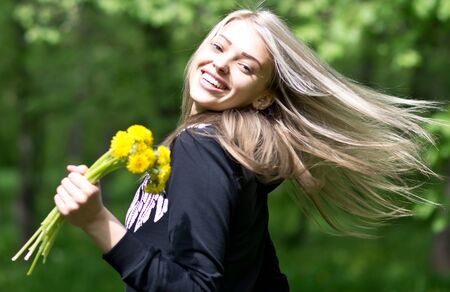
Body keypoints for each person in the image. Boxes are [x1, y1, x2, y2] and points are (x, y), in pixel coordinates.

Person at [53, 8, 437, 292]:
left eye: (246, 67)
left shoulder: (204, 146)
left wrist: (96, 222)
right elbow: (262, 279)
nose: (220, 64)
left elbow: (198, 288)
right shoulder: (232, 155)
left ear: (263, 97)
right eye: (219, 46)